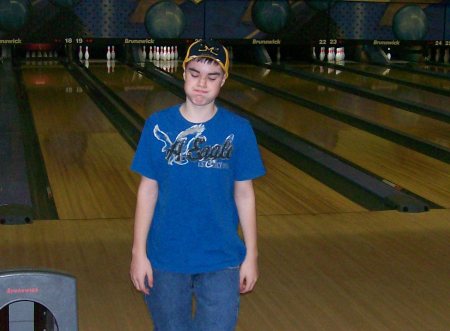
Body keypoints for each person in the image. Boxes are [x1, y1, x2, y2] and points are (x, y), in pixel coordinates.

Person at [130, 39, 266, 331]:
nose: (202, 83)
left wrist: (251, 255)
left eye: (212, 76)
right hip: (165, 255)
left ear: (224, 80)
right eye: (195, 73)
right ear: (183, 73)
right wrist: (138, 253)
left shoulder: (239, 130)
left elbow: (245, 194)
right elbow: (147, 191)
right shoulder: (158, 125)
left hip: (221, 256)